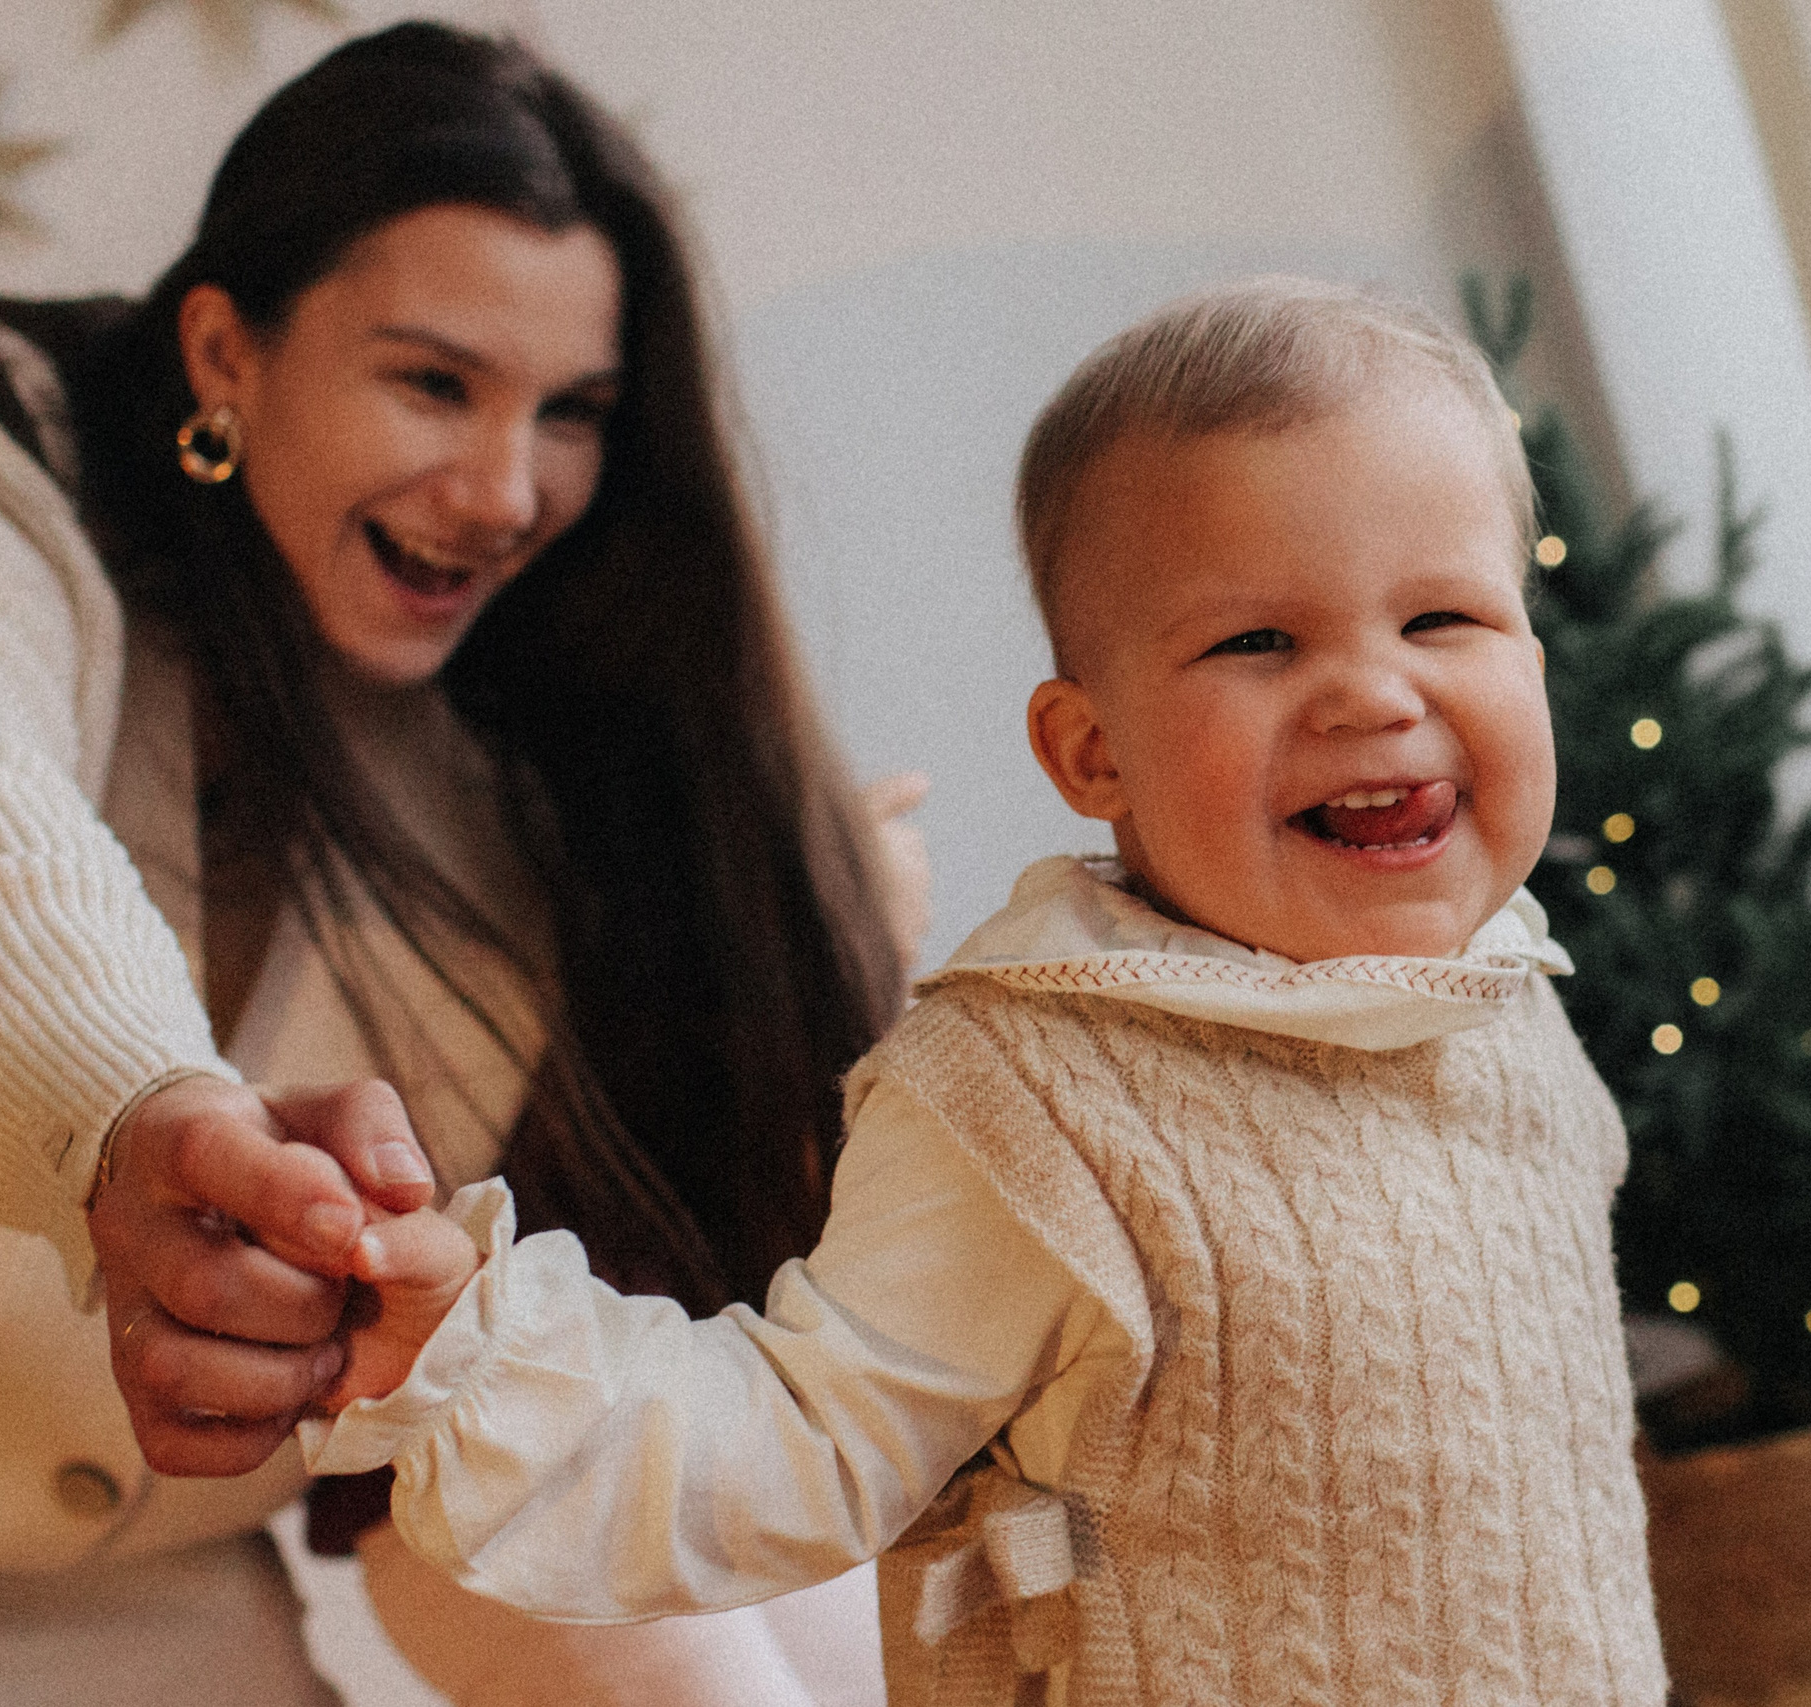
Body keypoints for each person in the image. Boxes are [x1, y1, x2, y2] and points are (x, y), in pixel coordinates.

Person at [0, 21, 910, 1706]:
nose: (506, 490)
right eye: (433, 381)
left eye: (570, 414)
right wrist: (139, 1120)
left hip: (158, 1617)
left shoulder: (511, 784)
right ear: (224, 348)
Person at [297, 279, 1669, 1705]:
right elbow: (794, 1438)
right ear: (1090, 754)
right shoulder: (1032, 1107)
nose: (1374, 695)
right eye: (1259, 642)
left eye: (1443, 617)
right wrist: (478, 1351)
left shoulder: (1509, 1002)